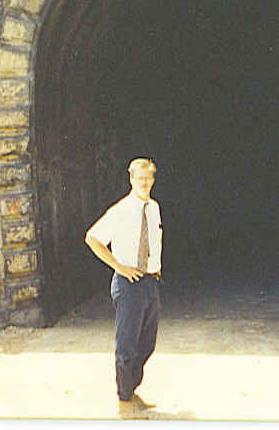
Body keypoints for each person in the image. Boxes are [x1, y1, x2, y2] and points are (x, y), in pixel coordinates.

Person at [84, 158, 163, 419]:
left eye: (148, 177)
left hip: (150, 282)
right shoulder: (121, 210)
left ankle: (131, 389)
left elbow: (154, 239)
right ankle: (123, 400)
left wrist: (155, 266)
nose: (144, 182)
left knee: (147, 342)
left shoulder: (154, 208)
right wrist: (119, 266)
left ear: (153, 179)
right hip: (128, 284)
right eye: (140, 178)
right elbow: (93, 238)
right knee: (127, 344)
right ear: (131, 179)